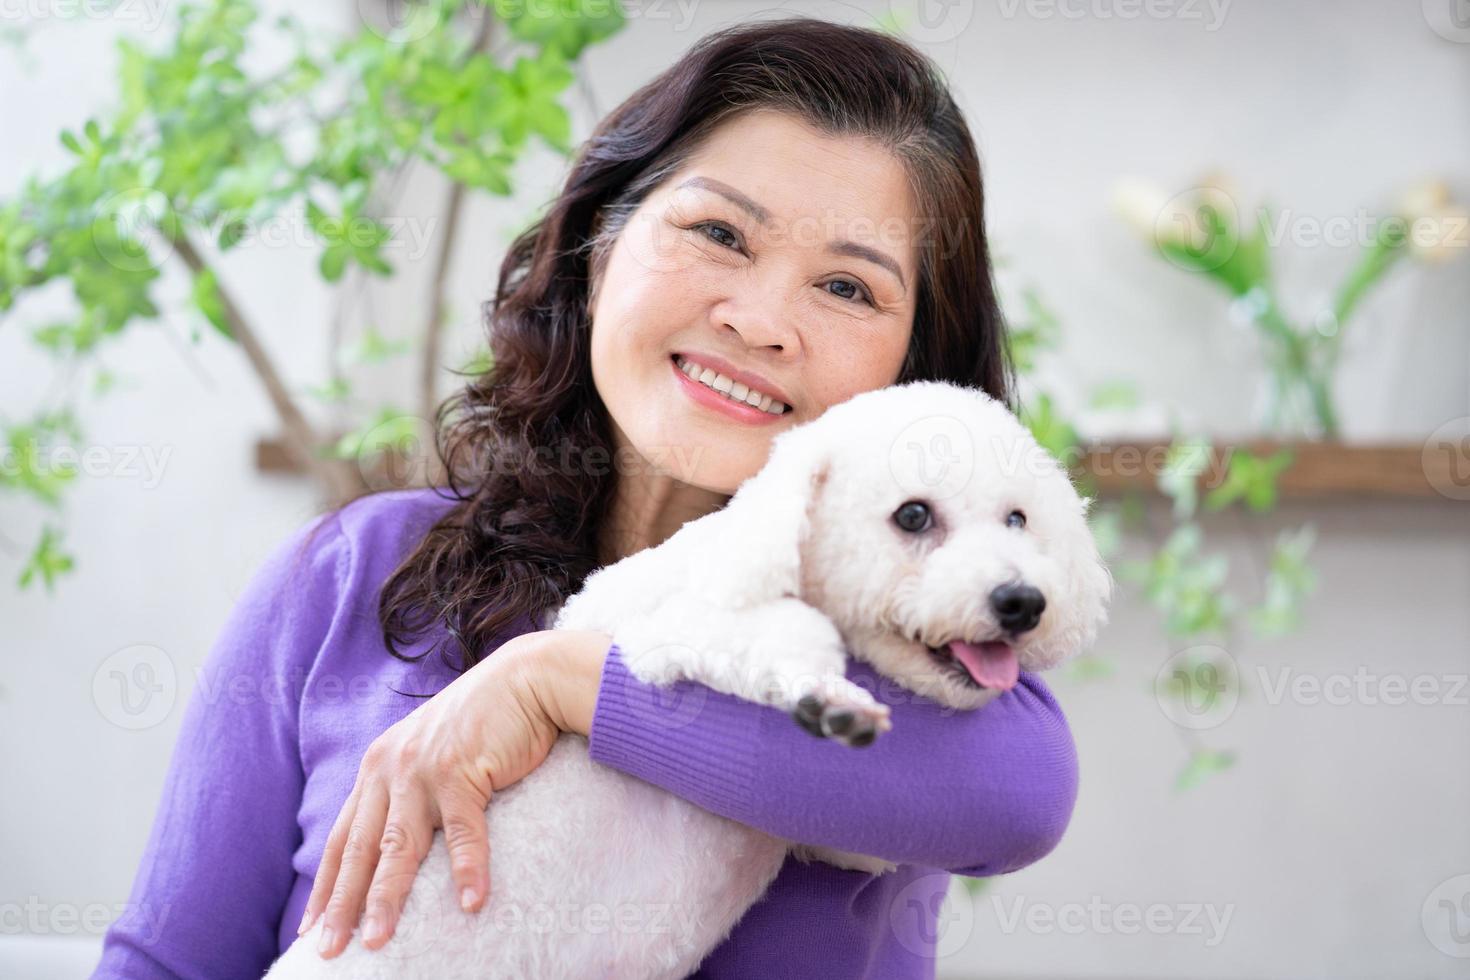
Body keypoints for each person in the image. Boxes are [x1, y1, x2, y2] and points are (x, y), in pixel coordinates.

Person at [92, 16, 1078, 979]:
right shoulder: (357, 573)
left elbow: (1022, 798)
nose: (763, 320)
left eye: (850, 288)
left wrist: (557, 680)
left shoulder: (892, 647)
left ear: (915, 373)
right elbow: (168, 961)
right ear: (599, 252)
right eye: (721, 232)